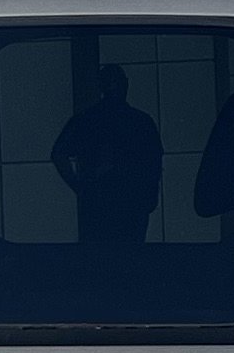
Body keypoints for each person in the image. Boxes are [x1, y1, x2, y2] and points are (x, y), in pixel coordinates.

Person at [48, 62, 164, 246]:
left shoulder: (88, 120)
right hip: (115, 201)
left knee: (107, 259)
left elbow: (154, 161)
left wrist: (80, 187)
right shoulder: (139, 121)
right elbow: (155, 162)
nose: (115, 86)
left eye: (117, 82)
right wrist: (80, 188)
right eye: (111, 82)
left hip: (114, 201)